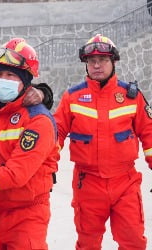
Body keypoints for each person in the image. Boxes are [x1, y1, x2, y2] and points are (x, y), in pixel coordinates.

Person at [53, 34, 152, 249]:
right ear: (86, 65)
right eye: (92, 61)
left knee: (134, 241)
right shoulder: (72, 97)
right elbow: (56, 133)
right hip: (88, 183)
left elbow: (149, 132)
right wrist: (46, 166)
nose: (97, 65)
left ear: (113, 62)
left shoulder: (131, 96)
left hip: (125, 182)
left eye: (103, 60)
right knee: (88, 243)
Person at [0, 38, 58, 250]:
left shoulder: (38, 120)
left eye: (10, 75)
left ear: (25, 80)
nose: (2, 80)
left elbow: (17, 174)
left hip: (26, 214)